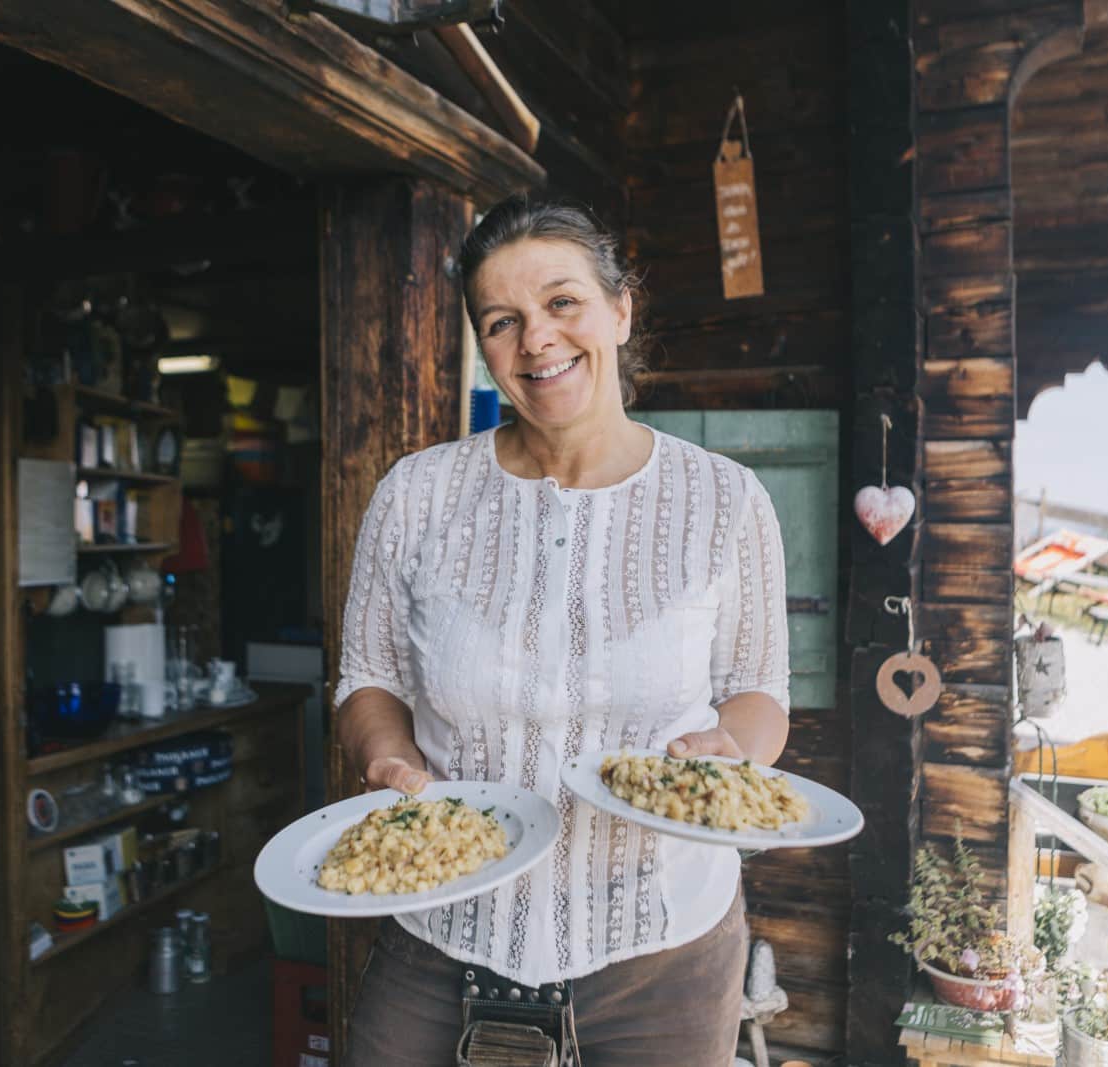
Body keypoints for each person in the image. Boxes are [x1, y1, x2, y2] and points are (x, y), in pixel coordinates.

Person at [336, 194, 790, 1066]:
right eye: (501, 321)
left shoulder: (726, 501)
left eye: (562, 302)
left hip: (662, 947)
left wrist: (731, 748)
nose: (535, 339)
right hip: (440, 925)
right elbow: (369, 674)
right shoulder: (417, 494)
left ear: (621, 310)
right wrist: (387, 756)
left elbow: (759, 689)